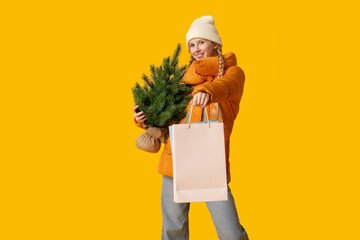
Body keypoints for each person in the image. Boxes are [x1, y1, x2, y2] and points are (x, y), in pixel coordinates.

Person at [133, 15, 249, 240]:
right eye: (192, 45)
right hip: (174, 161)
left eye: (201, 42)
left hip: (211, 162)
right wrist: (143, 118)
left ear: (215, 44)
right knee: (172, 229)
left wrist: (206, 92)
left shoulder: (233, 74)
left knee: (231, 234)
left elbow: (225, 86)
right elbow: (166, 117)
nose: (196, 49)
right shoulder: (181, 81)